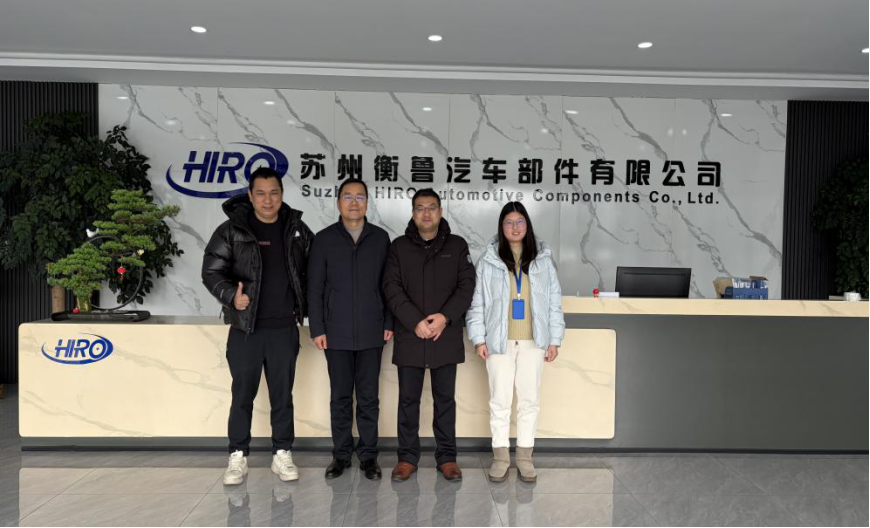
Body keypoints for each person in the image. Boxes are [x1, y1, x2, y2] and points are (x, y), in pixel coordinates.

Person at [201, 167, 314, 486]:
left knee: (282, 396)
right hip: (245, 330)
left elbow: (315, 270)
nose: (268, 199)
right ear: (250, 196)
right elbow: (211, 271)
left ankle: (282, 453)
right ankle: (238, 455)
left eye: (274, 192)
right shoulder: (231, 230)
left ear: (282, 194)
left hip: (283, 329)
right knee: (242, 396)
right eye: (261, 193)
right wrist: (230, 296)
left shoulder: (296, 230)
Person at [466, 201, 565, 483]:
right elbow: (477, 303)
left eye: (520, 221)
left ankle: (524, 458)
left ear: (527, 225)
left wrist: (554, 339)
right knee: (499, 401)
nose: (515, 227)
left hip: (534, 341)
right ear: (502, 227)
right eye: (509, 222)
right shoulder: (489, 260)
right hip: (499, 342)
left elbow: (554, 303)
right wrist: (478, 338)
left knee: (529, 401)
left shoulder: (543, 259)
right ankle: (500, 458)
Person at [382, 188, 476, 482]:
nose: (426, 213)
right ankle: (406, 458)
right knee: (408, 401)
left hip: (444, 336)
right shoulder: (398, 247)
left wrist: (445, 318)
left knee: (444, 400)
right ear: (413, 213)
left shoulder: (457, 246)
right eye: (420, 208)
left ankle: (447, 458)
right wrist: (414, 321)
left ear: (441, 211)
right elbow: (391, 287)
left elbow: (466, 286)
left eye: (432, 207)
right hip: (410, 335)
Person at [307, 179, 393, 481]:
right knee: (340, 398)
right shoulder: (323, 239)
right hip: (336, 332)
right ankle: (341, 456)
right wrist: (317, 327)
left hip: (372, 331)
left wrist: (388, 321)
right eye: (348, 197)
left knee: (369, 398)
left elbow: (389, 285)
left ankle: (369, 457)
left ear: (367, 202)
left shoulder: (380, 238)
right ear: (338, 202)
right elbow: (314, 287)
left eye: (360, 197)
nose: (354, 203)